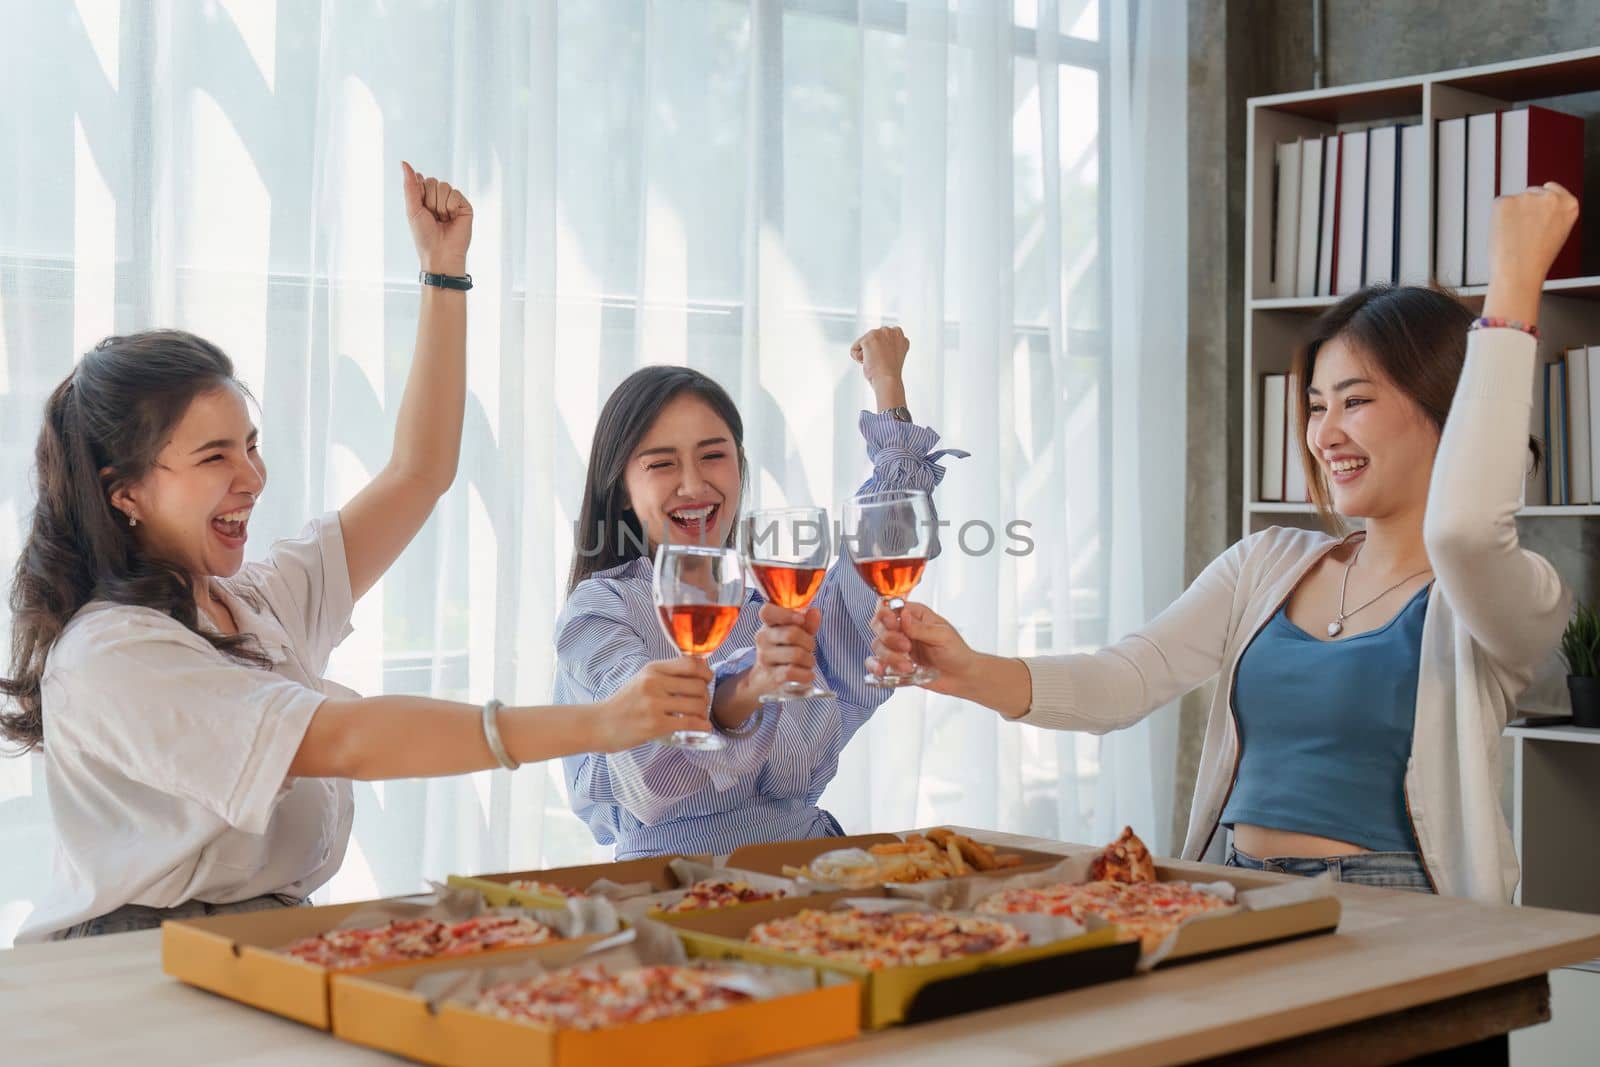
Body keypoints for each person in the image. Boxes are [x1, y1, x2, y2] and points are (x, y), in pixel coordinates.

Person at [2, 164, 711, 942]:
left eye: (251, 445)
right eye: (215, 458)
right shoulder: (114, 651)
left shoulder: (252, 604)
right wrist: (599, 722)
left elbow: (419, 473)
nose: (253, 477)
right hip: (135, 961)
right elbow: (345, 738)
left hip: (252, 937)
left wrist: (445, 274)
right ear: (124, 491)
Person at [867, 185, 1579, 903]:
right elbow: (1121, 681)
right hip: (1241, 892)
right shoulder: (1266, 563)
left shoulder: (1505, 598)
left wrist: (1515, 280)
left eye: (1355, 401)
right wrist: (962, 668)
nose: (1324, 434)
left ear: (1444, 411)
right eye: (1315, 405)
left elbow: (1462, 529)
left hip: (1406, 911)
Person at [555, 328, 965, 857]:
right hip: (677, 889)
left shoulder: (766, 609)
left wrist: (888, 387)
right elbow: (649, 767)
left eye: (713, 456)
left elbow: (886, 543)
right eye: (661, 464)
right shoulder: (601, 612)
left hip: (814, 875)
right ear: (623, 491)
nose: (694, 485)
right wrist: (746, 687)